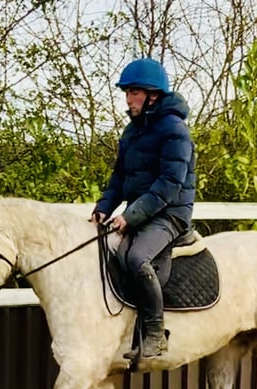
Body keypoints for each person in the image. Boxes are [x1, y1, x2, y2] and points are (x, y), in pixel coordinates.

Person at [91, 57, 196, 359]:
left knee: (136, 257)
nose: (128, 98)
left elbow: (169, 184)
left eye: (133, 92)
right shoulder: (132, 131)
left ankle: (154, 333)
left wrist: (130, 215)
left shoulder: (175, 131)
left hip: (170, 214)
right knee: (113, 251)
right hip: (142, 210)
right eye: (126, 92)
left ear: (153, 95)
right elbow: (120, 176)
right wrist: (105, 207)